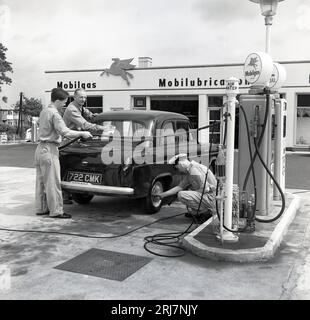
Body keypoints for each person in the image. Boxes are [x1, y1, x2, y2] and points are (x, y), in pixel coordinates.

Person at [35, 88, 93, 219]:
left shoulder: (44, 111)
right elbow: (65, 131)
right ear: (56, 101)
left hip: (40, 149)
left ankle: (41, 208)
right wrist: (82, 133)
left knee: (41, 182)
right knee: (53, 182)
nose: (65, 104)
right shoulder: (55, 114)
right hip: (50, 149)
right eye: (63, 102)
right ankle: (56, 211)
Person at [62, 88, 105, 204]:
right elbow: (85, 125)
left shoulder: (79, 107)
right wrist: (102, 128)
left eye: (85, 97)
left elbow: (88, 114)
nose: (83, 99)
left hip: (77, 140)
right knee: (68, 166)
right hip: (68, 141)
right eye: (81, 97)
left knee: (77, 166)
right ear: (74, 97)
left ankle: (74, 191)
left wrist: (95, 116)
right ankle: (65, 195)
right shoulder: (72, 109)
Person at [156, 154, 217, 222]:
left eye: (177, 168)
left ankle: (206, 212)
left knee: (182, 195)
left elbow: (205, 188)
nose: (179, 171)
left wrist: (192, 192)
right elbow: (179, 187)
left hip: (212, 198)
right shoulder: (191, 170)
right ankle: (202, 211)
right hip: (211, 197)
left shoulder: (194, 170)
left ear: (180, 164)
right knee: (187, 193)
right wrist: (163, 195)